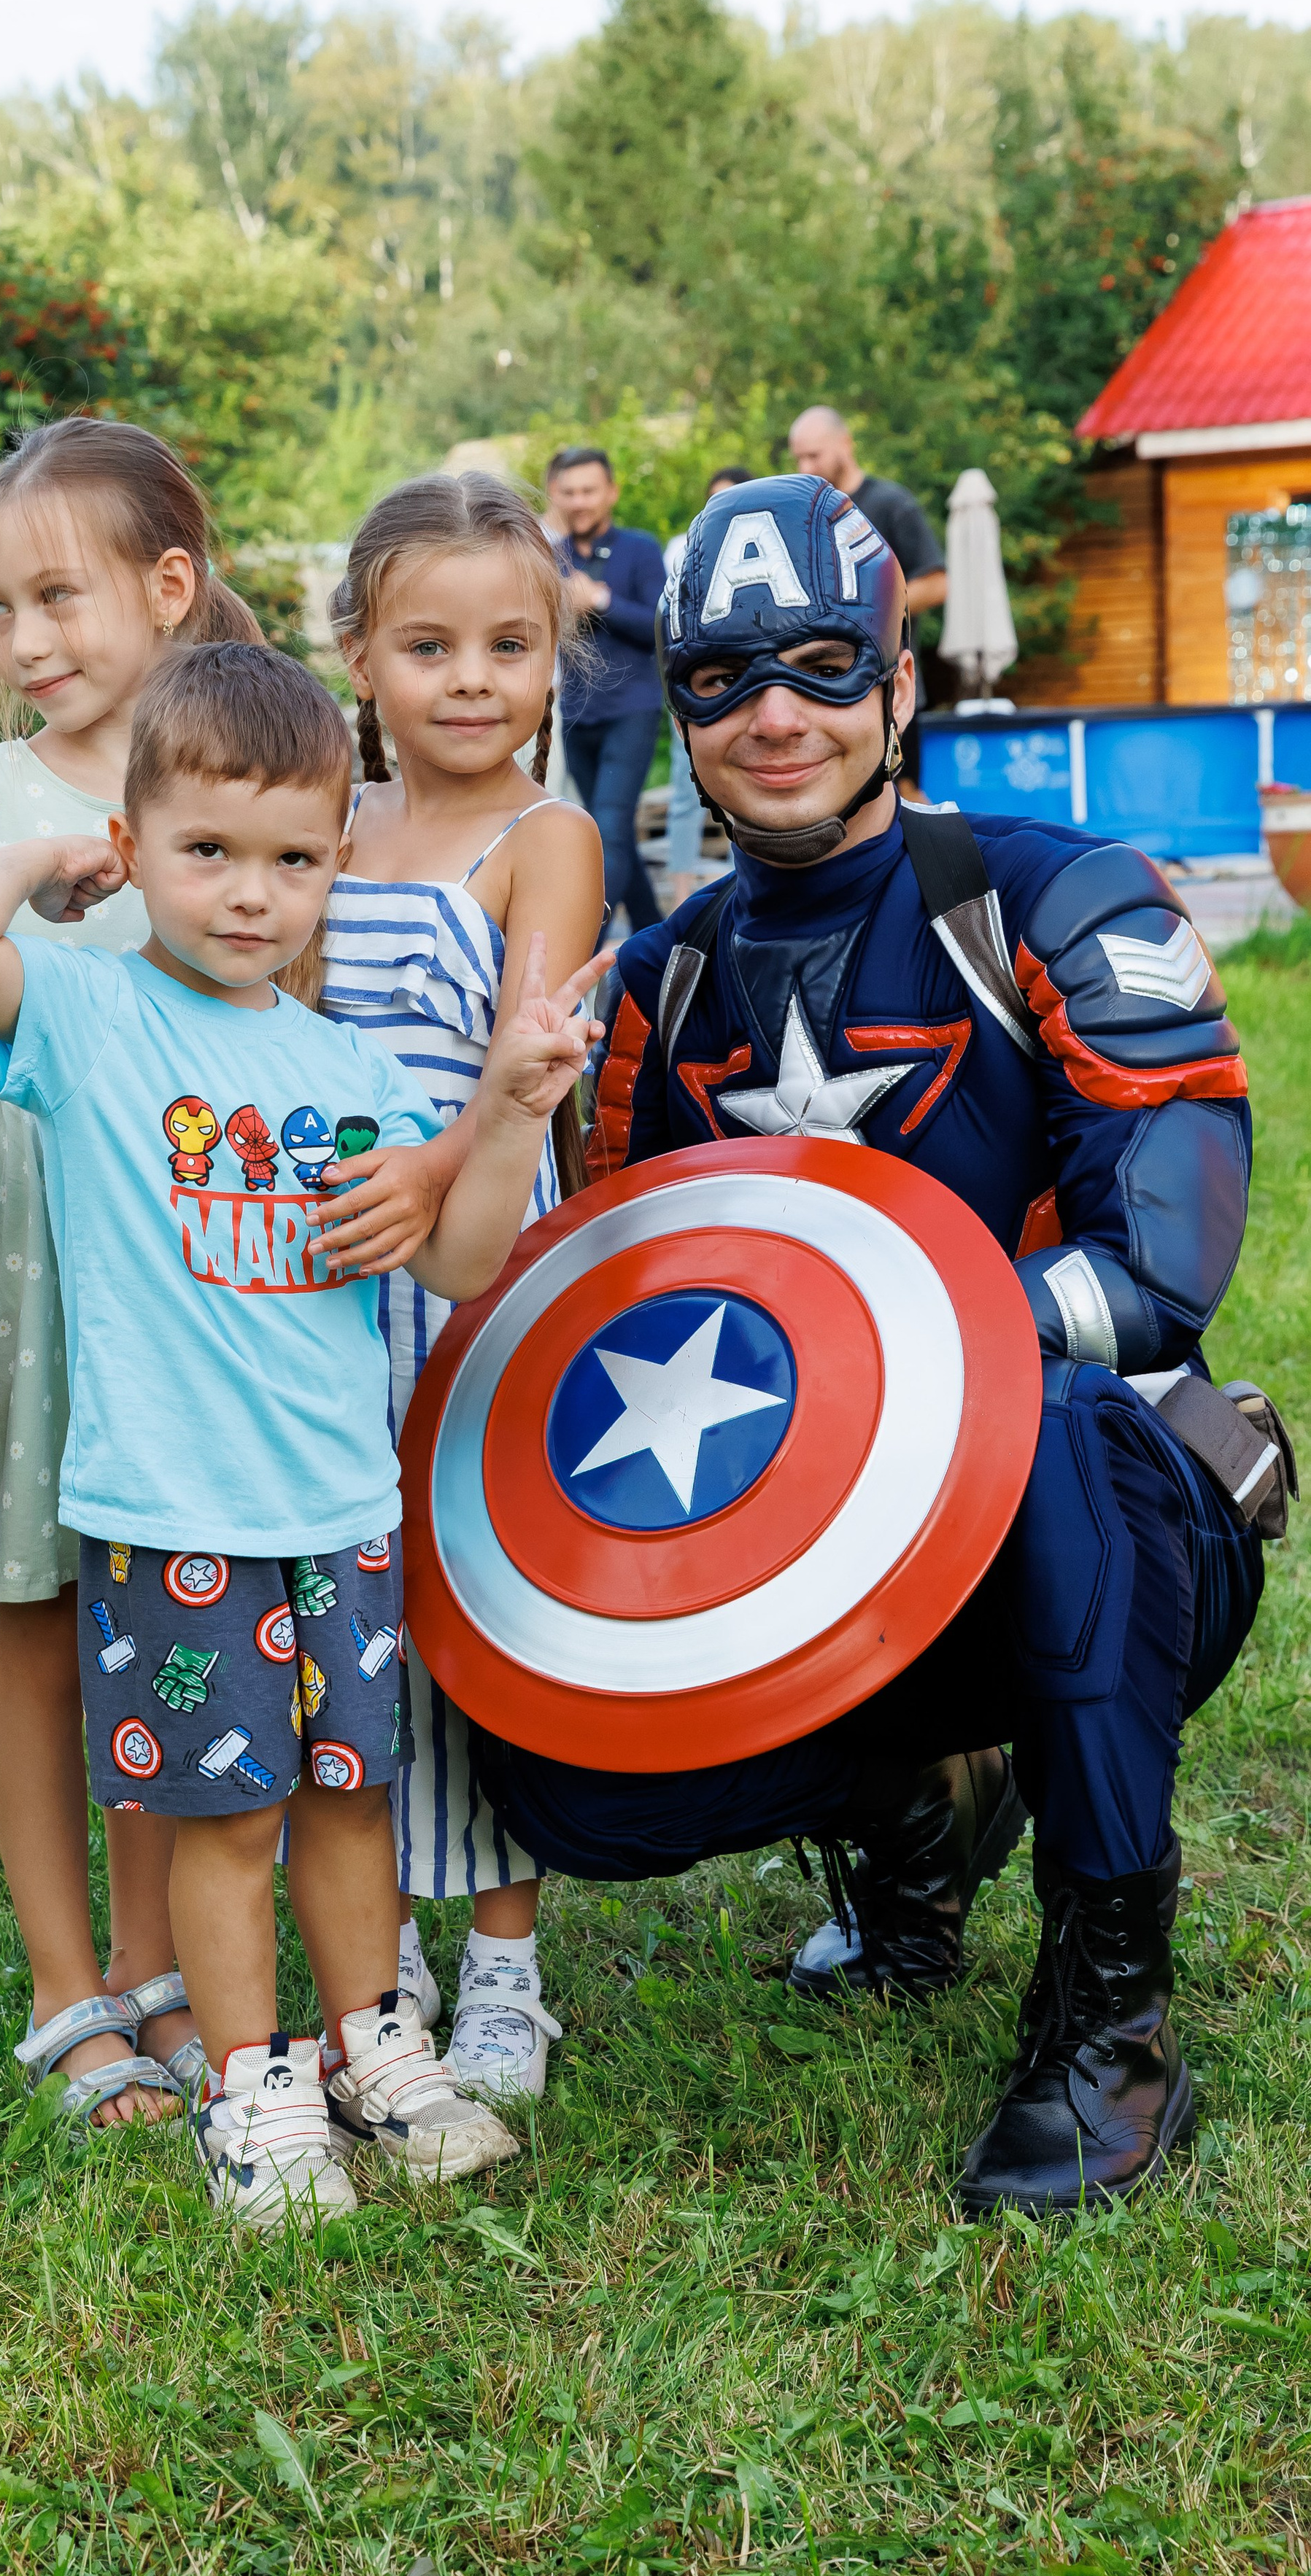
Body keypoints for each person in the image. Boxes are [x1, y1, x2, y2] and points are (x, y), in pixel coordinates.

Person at [492, 471, 1274, 2218]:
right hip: (828, 1570)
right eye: (721, 678)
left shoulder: (1060, 897)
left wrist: (888, 1362)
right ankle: (925, 1802)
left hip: (1106, 1509)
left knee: (1052, 1417)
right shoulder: (654, 991)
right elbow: (623, 1329)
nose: (773, 713)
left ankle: (1112, 2009)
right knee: (560, 1772)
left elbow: (1156, 1276)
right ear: (676, 709)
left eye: (821, 663)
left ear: (896, 680)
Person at [0, 639, 611, 2224]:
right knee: (225, 1814)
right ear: (133, 843)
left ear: (337, 861)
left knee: (349, 1795)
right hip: (178, 1512)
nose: (248, 895)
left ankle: (371, 2050)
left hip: (340, 1504)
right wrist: (55, 859)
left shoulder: (346, 1066)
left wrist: (503, 1110)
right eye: (205, 851)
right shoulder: (88, 1016)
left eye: (292, 861)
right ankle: (249, 2088)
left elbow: (459, 1259)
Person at [0, 418, 263, 2135]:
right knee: (43, 1625)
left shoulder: (234, 776)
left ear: (167, 585)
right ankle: (64, 1987)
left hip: (180, 1271)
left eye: (55, 596)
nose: (22, 638)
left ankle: (154, 1963)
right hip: (30, 1269)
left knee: (161, 1620)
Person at [322, 470, 605, 2099]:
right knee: (350, 1601)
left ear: (555, 660)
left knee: (469, 1595)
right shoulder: (332, 820)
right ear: (359, 655)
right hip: (325, 1278)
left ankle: (504, 1960)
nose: (472, 679)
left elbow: (522, 1062)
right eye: (428, 646)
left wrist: (427, 1175)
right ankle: (385, 1946)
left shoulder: (544, 838)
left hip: (473, 1265)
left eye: (511, 645)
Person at [545, 447, 667, 934]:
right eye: (570, 492)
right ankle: (659, 934)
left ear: (611, 492)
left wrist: (600, 600)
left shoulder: (640, 548)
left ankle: (579, 951)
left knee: (606, 830)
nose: (579, 501)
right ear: (556, 495)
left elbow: (662, 625)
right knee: (614, 835)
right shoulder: (550, 558)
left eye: (589, 491)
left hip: (631, 709)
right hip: (576, 713)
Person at [789, 410, 947, 704]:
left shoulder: (891, 503)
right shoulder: (804, 517)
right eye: (799, 458)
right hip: (823, 691)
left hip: (892, 690)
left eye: (814, 456)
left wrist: (864, 613)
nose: (805, 467)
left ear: (845, 443)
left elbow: (937, 583)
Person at [663, 467, 753, 909]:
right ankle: (682, 897)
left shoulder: (771, 552)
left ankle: (749, 885)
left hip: (753, 685)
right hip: (700, 686)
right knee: (686, 793)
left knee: (749, 790)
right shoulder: (682, 550)